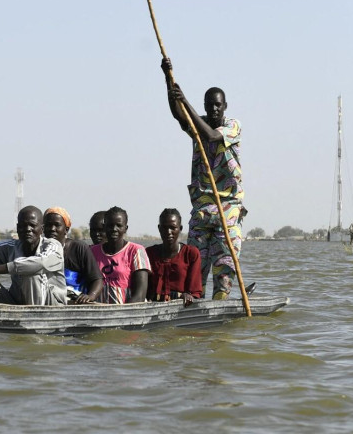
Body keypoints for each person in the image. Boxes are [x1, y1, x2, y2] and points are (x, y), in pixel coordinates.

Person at [161, 58, 246, 300]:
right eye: (209, 106)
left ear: (225, 106)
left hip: (228, 206)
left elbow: (210, 136)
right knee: (195, 262)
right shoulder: (200, 123)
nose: (214, 110)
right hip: (202, 205)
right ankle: (194, 302)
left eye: (218, 105)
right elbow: (179, 116)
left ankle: (221, 298)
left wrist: (184, 100)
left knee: (224, 262)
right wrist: (169, 79)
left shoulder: (233, 126)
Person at [0, 205, 66, 305]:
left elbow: (41, 263)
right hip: (17, 302)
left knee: (31, 272)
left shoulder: (53, 246)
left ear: (41, 229)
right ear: (17, 228)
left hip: (50, 305)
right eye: (23, 226)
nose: (28, 229)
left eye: (32, 225)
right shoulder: (11, 247)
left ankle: (34, 318)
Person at [90, 206, 150, 304]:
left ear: (125, 228)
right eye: (110, 225)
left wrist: (121, 313)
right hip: (99, 313)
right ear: (104, 227)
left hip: (127, 313)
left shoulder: (136, 251)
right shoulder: (93, 251)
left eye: (119, 225)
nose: (114, 229)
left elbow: (140, 295)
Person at [43, 206, 103, 304]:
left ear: (66, 229)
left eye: (57, 225)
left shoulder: (79, 248)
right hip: (48, 303)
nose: (52, 229)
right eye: (48, 225)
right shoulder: (39, 249)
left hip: (75, 304)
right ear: (43, 228)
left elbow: (97, 280)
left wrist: (90, 296)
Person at [146, 208, 202, 306]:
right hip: (152, 306)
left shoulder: (191, 253)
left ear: (180, 229)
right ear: (159, 228)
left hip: (180, 308)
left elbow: (194, 291)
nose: (168, 232)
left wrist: (187, 296)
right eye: (164, 227)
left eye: (173, 227)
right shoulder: (149, 253)